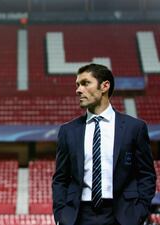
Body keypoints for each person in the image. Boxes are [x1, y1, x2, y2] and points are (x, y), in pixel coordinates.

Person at [52, 63, 156, 225]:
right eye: (78, 85)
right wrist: (61, 215)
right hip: (79, 215)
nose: (78, 90)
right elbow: (60, 178)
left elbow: (146, 174)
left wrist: (139, 212)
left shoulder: (134, 128)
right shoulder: (68, 131)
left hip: (123, 216)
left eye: (86, 83)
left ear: (104, 86)